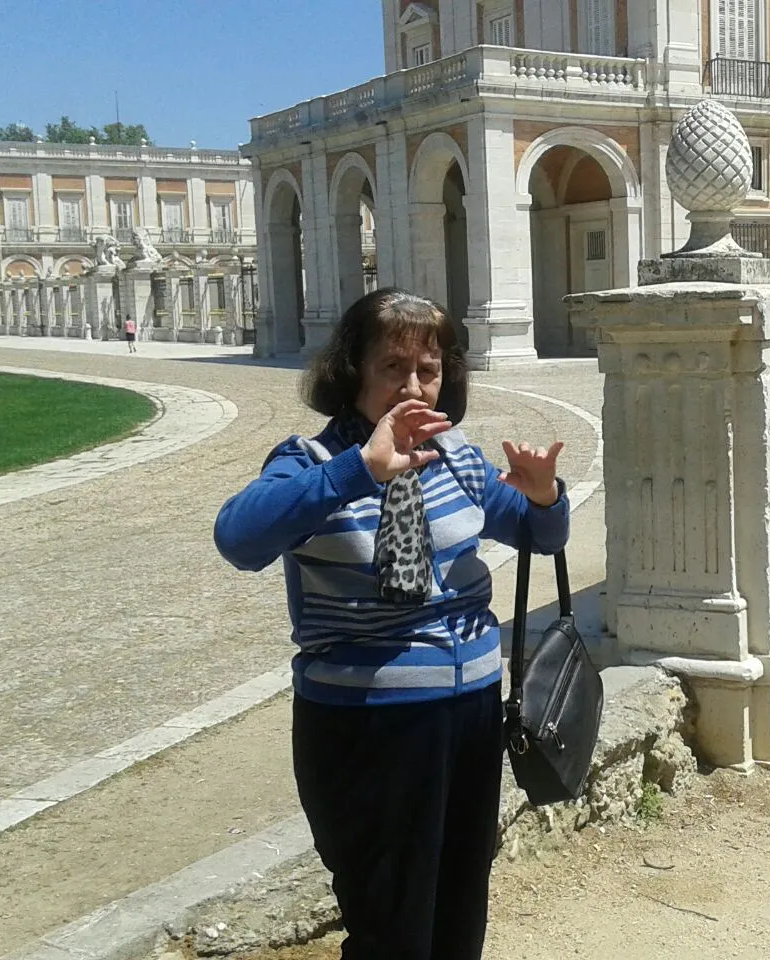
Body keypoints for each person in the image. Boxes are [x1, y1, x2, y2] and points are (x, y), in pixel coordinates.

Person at [213, 289, 570, 960]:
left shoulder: (456, 457)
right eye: (392, 367)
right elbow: (239, 539)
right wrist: (360, 470)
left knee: (459, 914)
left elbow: (538, 533)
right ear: (353, 371)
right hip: (369, 724)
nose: (413, 385)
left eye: (428, 369)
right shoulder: (311, 464)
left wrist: (546, 495)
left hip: (468, 716)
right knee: (391, 929)